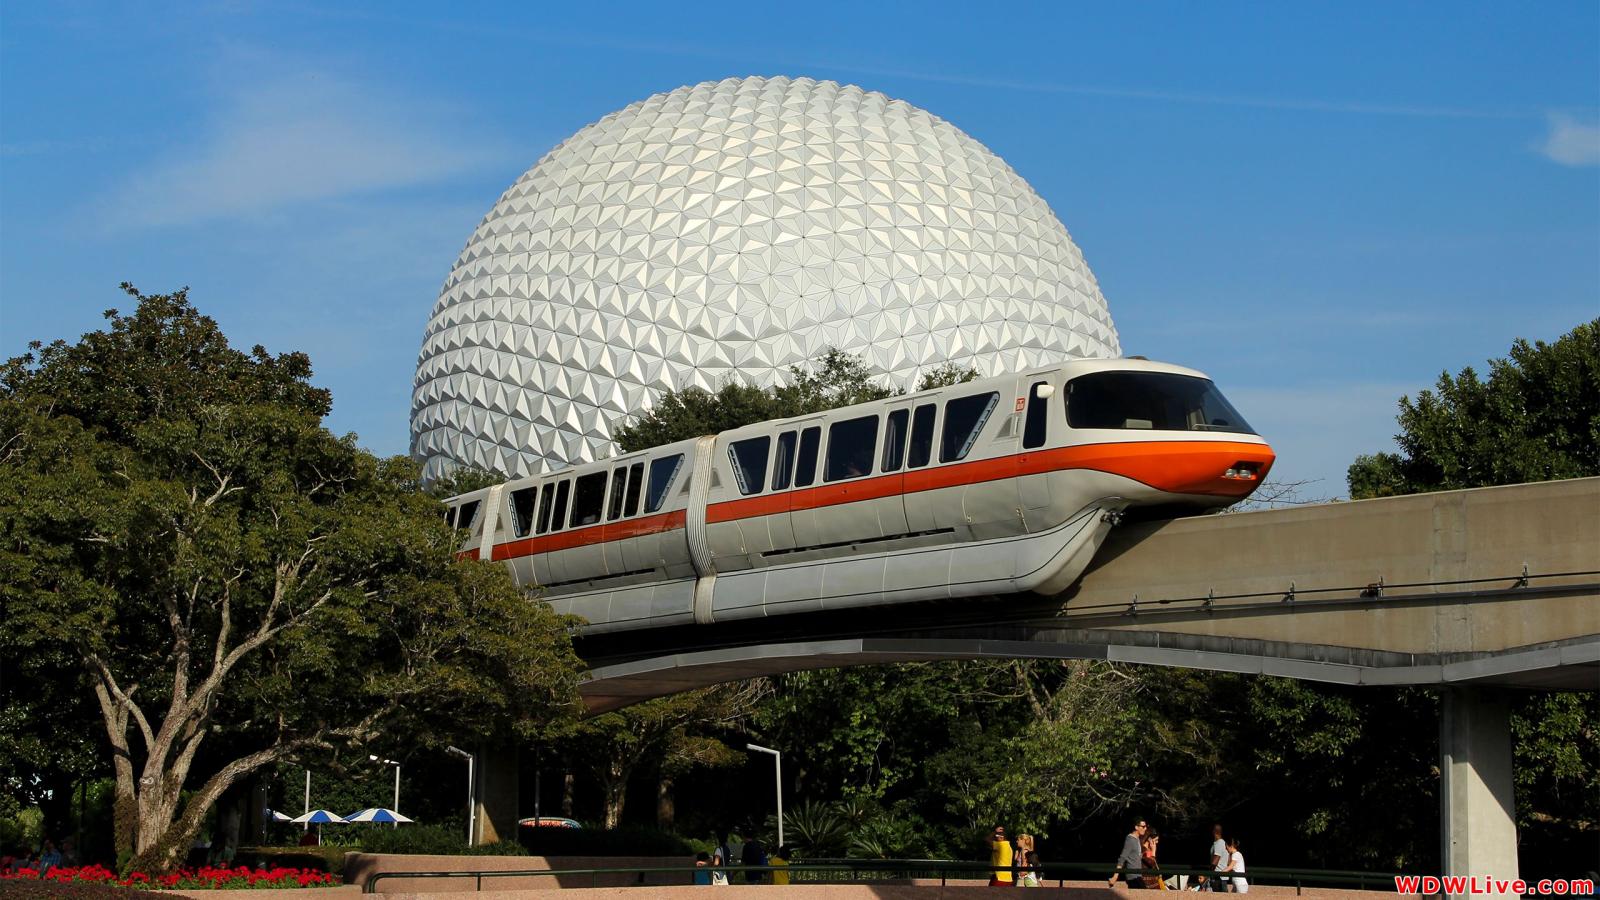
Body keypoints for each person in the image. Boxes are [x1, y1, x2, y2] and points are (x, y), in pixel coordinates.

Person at [1108, 818, 1147, 888]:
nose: (1145, 828)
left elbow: (1136, 856)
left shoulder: (1137, 838)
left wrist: (1145, 849)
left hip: (1138, 875)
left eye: (1146, 826)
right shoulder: (1130, 839)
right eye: (1143, 826)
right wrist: (1115, 876)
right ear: (1136, 827)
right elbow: (1122, 858)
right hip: (1133, 877)